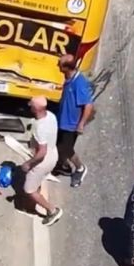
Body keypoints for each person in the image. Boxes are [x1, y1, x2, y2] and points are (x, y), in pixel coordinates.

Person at [21, 96, 63, 226]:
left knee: (29, 189)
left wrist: (29, 163)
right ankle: (33, 201)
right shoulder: (51, 115)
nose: (29, 106)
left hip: (43, 161)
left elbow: (42, 152)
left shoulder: (40, 127)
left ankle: (52, 210)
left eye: (31, 105)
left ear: (36, 109)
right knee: (37, 180)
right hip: (53, 153)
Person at [54, 54, 95, 187]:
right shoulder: (68, 78)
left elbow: (88, 105)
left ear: (66, 67)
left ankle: (80, 168)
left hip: (71, 124)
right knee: (58, 146)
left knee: (66, 149)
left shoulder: (79, 83)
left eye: (60, 64)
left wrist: (81, 124)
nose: (57, 65)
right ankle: (62, 166)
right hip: (62, 120)